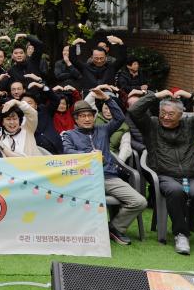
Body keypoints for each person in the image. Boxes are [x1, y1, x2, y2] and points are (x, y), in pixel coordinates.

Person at [128, 89, 194, 260]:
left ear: (181, 115)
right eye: (163, 113)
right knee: (175, 191)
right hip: (166, 176)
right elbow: (134, 110)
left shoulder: (191, 124)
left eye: (171, 114)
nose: (165, 117)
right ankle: (181, 235)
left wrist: (191, 96)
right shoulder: (151, 125)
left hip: (193, 176)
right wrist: (155, 95)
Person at [62, 86, 147, 246]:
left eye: (90, 115)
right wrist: (90, 156)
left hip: (108, 177)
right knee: (73, 202)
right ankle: (82, 232)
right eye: (82, 116)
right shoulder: (69, 135)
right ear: (76, 119)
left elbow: (119, 118)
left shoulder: (103, 130)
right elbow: (68, 152)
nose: (87, 119)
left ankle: (114, 228)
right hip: (83, 179)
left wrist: (107, 99)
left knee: (139, 201)